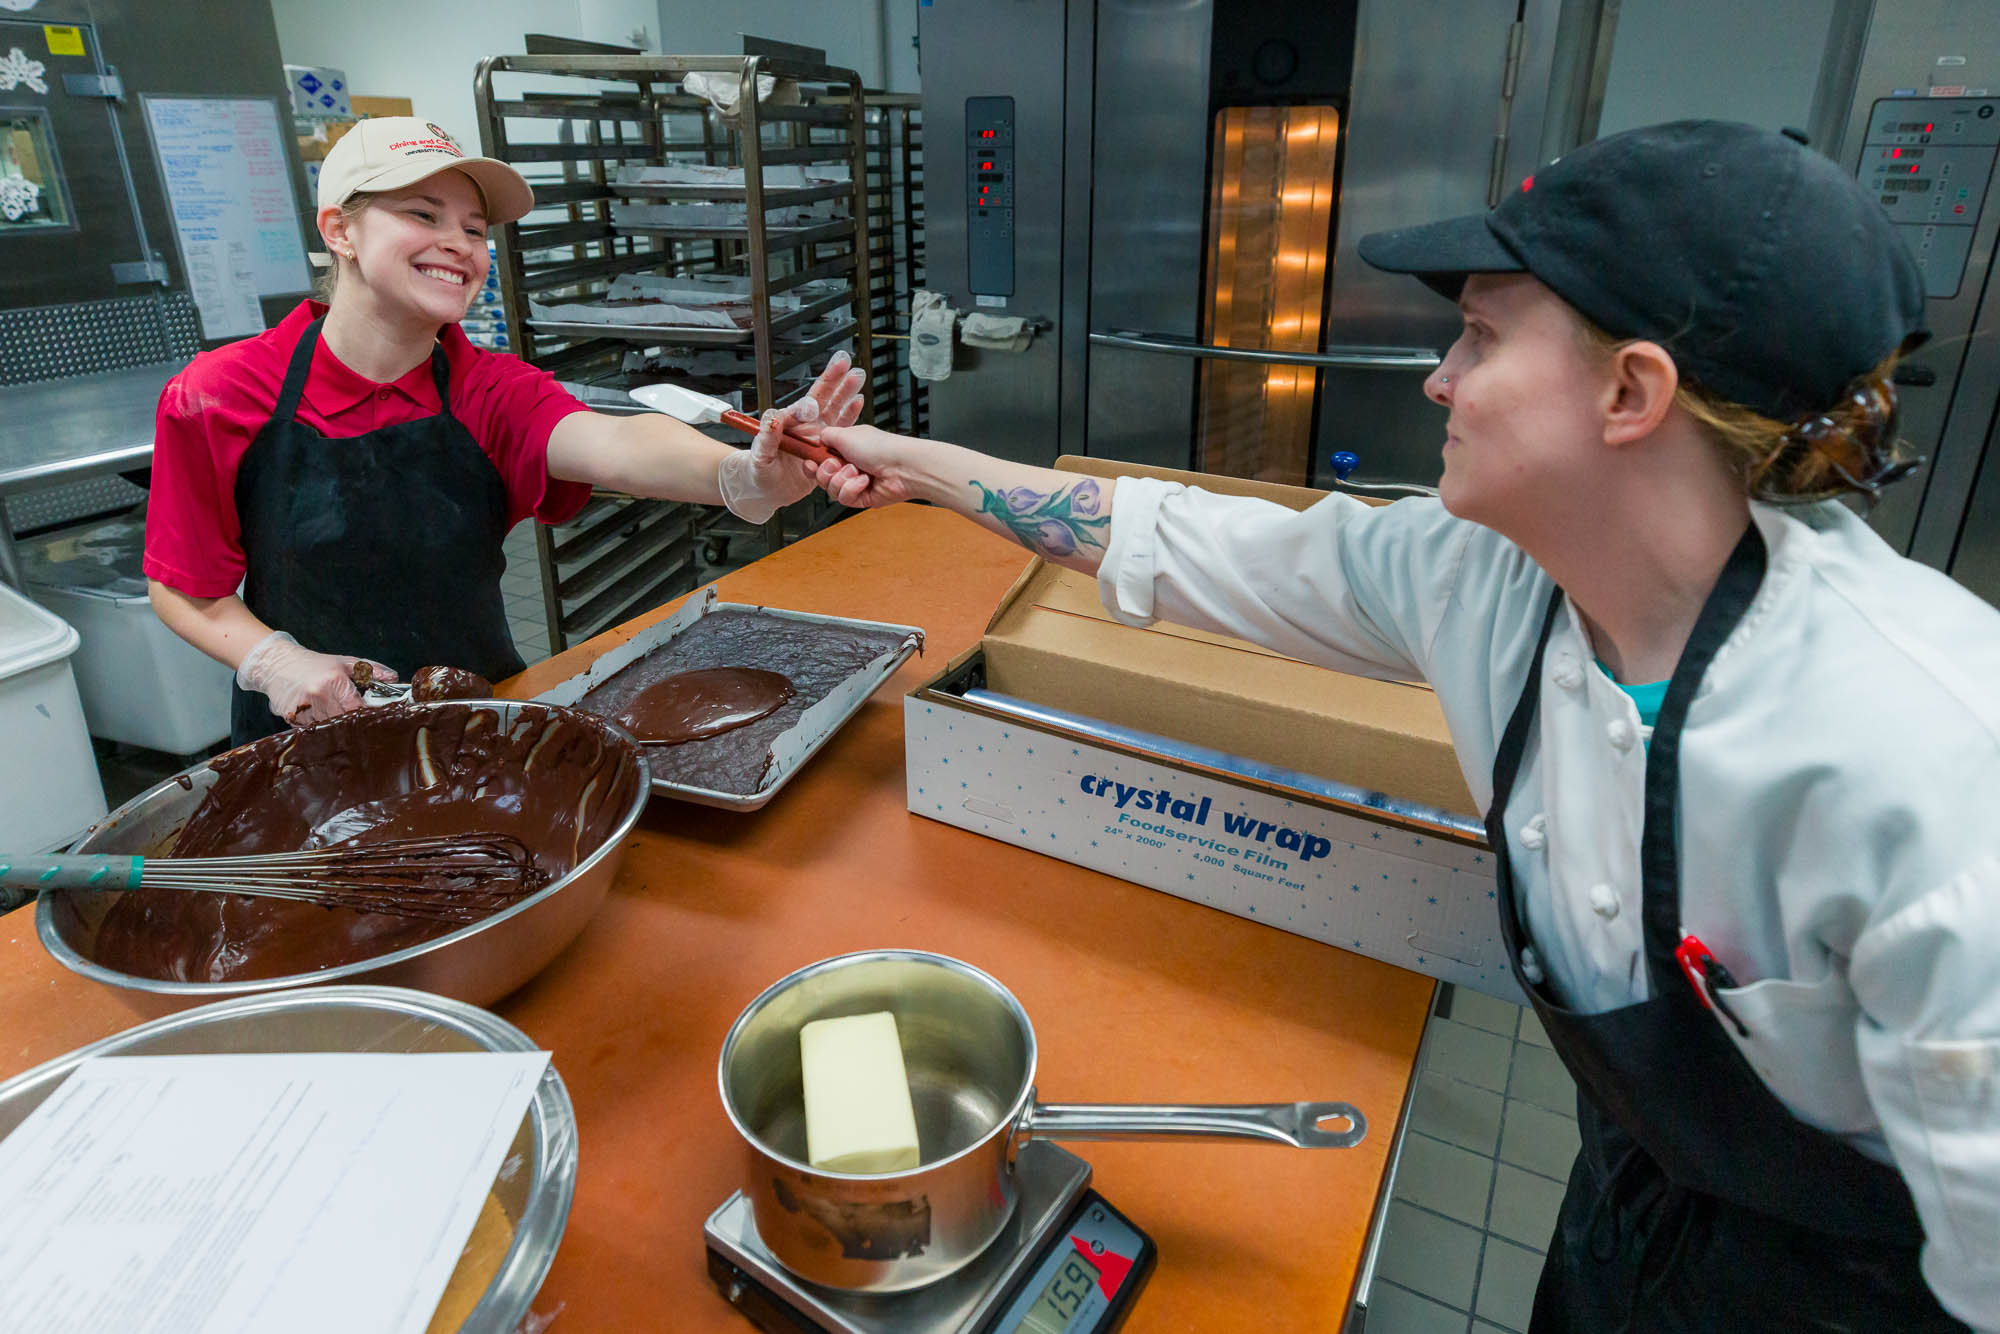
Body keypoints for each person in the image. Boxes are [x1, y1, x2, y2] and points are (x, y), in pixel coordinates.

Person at [805, 122, 1999, 1331]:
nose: (1437, 377)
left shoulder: (1928, 762)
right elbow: (1179, 540)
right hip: (1626, 1207)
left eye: (1480, 335)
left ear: (1629, 391)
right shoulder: (1482, 575)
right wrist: (909, 461)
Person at [144, 117, 864, 745]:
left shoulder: (488, 388)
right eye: (423, 215)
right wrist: (275, 662)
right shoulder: (221, 395)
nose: (456, 243)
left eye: (473, 229)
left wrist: (747, 474)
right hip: (296, 735)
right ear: (340, 231)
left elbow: (617, 444)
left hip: (476, 718)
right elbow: (183, 586)